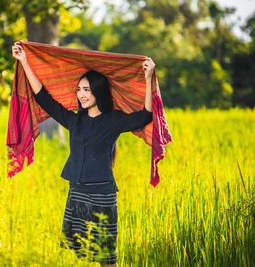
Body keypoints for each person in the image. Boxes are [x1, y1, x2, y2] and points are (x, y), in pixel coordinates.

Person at [12, 41, 154, 267]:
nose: (81, 94)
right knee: (83, 255)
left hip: (102, 196)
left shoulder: (114, 120)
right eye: (79, 90)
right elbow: (44, 99)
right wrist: (25, 62)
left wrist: (148, 79)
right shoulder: (74, 120)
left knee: (107, 259)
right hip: (76, 193)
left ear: (98, 91)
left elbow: (146, 116)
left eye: (86, 90)